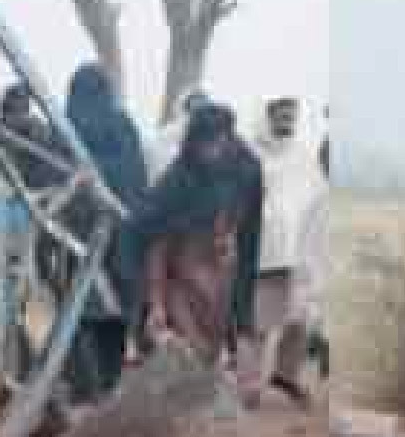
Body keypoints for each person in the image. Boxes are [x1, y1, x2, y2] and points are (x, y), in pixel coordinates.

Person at [135, 102, 262, 366]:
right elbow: (154, 242)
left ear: (228, 139)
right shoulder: (178, 178)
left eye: (217, 143)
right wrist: (156, 304)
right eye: (204, 144)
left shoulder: (247, 169)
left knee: (209, 356)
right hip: (181, 276)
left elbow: (249, 246)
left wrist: (243, 326)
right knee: (183, 354)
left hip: (218, 281)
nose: (210, 152)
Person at [64, 62, 150, 401]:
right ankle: (108, 383)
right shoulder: (122, 124)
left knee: (81, 311)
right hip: (119, 232)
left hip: (79, 233)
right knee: (113, 309)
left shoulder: (68, 126)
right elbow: (137, 180)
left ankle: (89, 385)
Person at [245, 96, 328, 403]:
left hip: (300, 250)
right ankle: (250, 388)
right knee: (259, 322)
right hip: (264, 250)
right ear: (267, 116)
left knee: (302, 318)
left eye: (291, 117)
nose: (286, 122)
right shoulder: (249, 153)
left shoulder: (303, 157)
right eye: (280, 116)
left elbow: (317, 197)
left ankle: (285, 375)